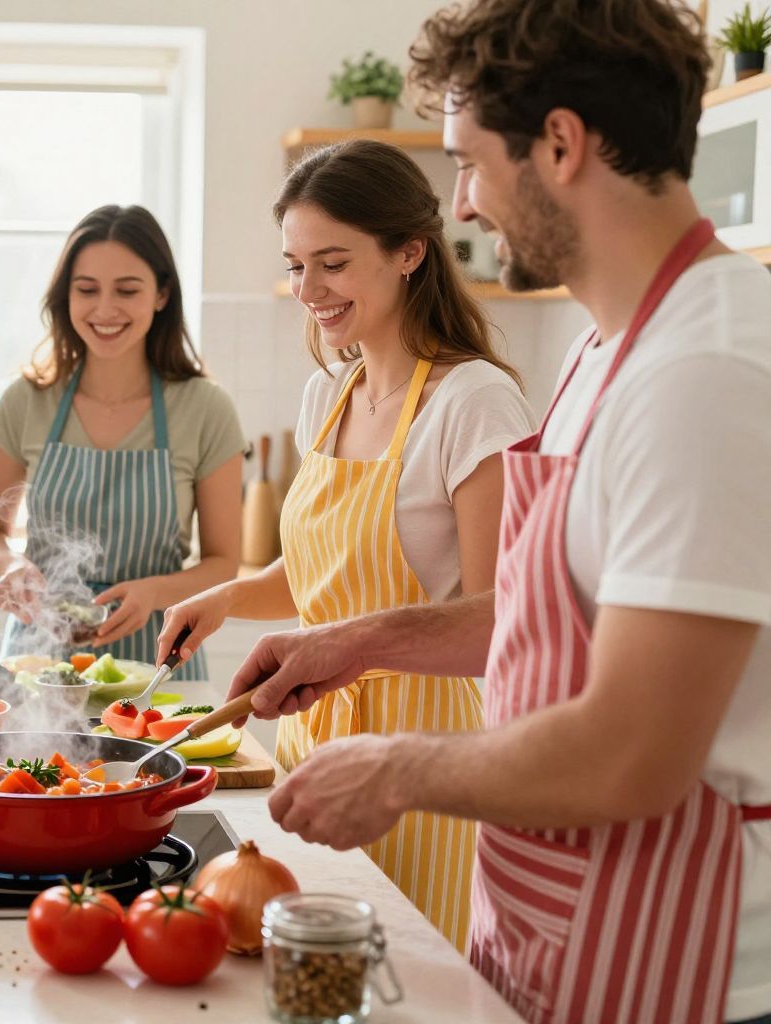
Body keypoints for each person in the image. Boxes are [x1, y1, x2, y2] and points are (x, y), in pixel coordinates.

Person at [230, 2, 771, 1022]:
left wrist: (397, 766)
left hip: (669, 963)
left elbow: (633, 749)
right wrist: (357, 641)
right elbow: (543, 608)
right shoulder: (604, 350)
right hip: (550, 926)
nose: (465, 207)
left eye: (470, 163)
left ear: (561, 144)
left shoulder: (707, 369)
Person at [156, 141, 534, 948]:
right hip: (307, 746)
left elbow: (498, 618)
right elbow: (325, 573)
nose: (309, 291)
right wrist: (224, 597)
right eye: (296, 266)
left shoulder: (474, 403)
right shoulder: (329, 391)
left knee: (401, 979)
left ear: (408, 252)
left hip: (418, 762)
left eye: (332, 263)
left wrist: (352, 651)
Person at [0, 205, 244, 680]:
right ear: (66, 297)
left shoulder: (205, 408)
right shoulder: (26, 399)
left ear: (161, 294)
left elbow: (224, 563)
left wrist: (154, 593)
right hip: (39, 655)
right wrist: (10, 567)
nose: (104, 309)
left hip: (161, 660)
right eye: (87, 290)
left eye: (127, 290)